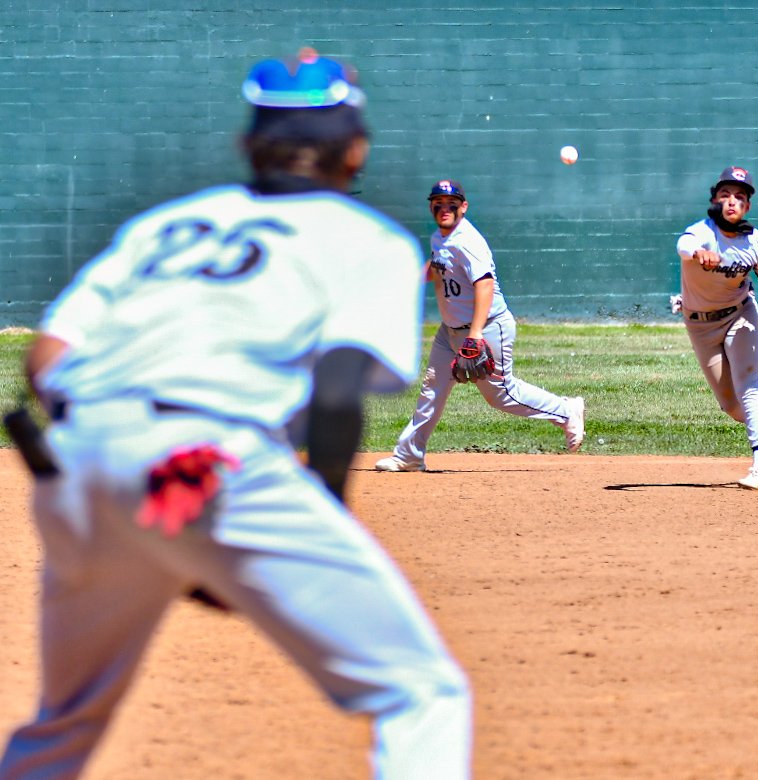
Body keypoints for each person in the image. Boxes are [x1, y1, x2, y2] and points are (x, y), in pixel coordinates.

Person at [0, 50, 471, 779]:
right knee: (421, 693)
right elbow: (339, 385)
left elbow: (51, 352)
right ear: (357, 149)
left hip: (70, 461)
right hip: (198, 462)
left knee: (65, 718)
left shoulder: (169, 224)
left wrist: (102, 442)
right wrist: (325, 510)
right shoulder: (367, 239)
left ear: (246, 143)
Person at [375, 180, 585, 472]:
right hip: (450, 332)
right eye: (438, 202)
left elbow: (484, 284)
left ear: (463, 207)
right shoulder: (441, 236)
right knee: (432, 388)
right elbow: (437, 266)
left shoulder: (467, 240)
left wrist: (474, 336)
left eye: (451, 203)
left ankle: (566, 411)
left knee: (501, 395)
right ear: (431, 206)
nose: (444, 208)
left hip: (486, 327)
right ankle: (409, 453)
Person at [675, 165, 758, 490]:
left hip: (740, 314)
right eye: (725, 195)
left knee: (748, 386)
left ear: (747, 206)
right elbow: (683, 246)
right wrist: (699, 253)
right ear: (714, 199)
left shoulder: (756, 241)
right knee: (730, 405)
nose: (731, 202)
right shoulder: (701, 232)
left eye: (739, 197)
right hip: (700, 325)